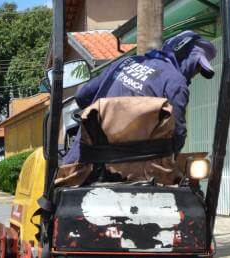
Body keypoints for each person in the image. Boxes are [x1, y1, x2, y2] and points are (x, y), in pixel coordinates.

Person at [62, 30, 216, 172]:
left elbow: (82, 96)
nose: (194, 74)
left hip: (81, 166)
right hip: (141, 176)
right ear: (185, 55)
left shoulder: (127, 61)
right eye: (196, 67)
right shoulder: (176, 84)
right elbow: (177, 135)